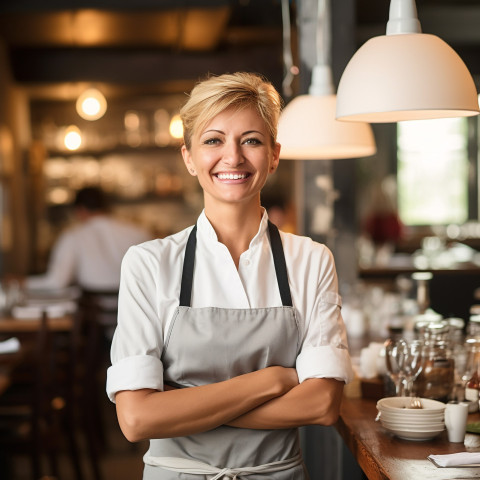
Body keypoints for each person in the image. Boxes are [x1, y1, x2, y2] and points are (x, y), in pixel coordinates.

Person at [106, 72, 354, 479]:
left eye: (251, 140)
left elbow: (321, 405)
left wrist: (181, 407)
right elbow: (136, 420)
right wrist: (277, 379)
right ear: (189, 157)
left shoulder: (311, 260)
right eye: (213, 140)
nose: (233, 157)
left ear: (274, 155)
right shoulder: (149, 263)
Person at [26, 186, 152, 292]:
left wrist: (21, 283)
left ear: (80, 210)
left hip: (93, 317)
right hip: (136, 314)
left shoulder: (73, 236)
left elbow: (57, 282)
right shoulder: (139, 233)